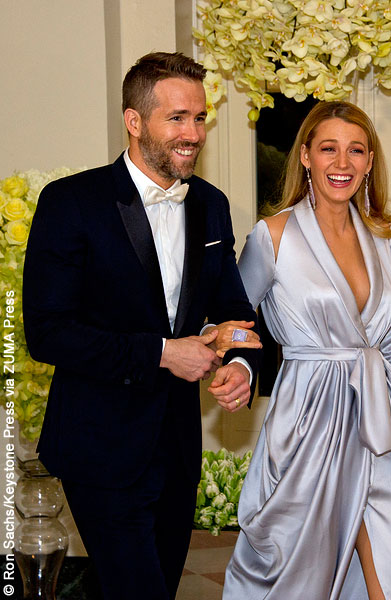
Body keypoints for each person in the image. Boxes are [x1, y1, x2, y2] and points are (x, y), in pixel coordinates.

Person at [22, 51, 262, 600]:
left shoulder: (211, 205)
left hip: (177, 449)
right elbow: (49, 332)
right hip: (100, 445)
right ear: (134, 121)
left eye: (199, 118)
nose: (193, 133)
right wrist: (161, 352)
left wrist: (244, 363)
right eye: (176, 118)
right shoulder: (70, 203)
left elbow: (233, 310)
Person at [222, 101, 391, 600]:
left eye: (355, 151)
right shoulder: (273, 236)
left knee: (387, 566)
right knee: (299, 575)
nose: (342, 163)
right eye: (329, 149)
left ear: (369, 162)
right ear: (306, 156)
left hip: (376, 423)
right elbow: (235, 317)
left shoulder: (381, 238)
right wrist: (236, 364)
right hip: (308, 425)